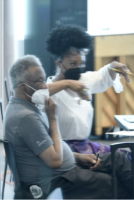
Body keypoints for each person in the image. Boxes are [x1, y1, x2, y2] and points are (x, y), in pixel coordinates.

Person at [4, 55, 132, 199]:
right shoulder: (26, 117)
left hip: (65, 171)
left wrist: (77, 157)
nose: (45, 86)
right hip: (58, 181)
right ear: (23, 87)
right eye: (40, 81)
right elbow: (55, 161)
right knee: (116, 184)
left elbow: (45, 149)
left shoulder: (22, 105)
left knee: (119, 159)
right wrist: (53, 118)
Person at [45, 24, 132, 160]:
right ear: (59, 63)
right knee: (119, 164)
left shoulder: (84, 80)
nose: (78, 69)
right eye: (73, 64)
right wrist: (67, 83)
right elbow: (36, 94)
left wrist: (112, 66)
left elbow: (102, 76)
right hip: (67, 152)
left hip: (86, 146)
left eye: (81, 64)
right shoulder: (50, 89)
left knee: (128, 157)